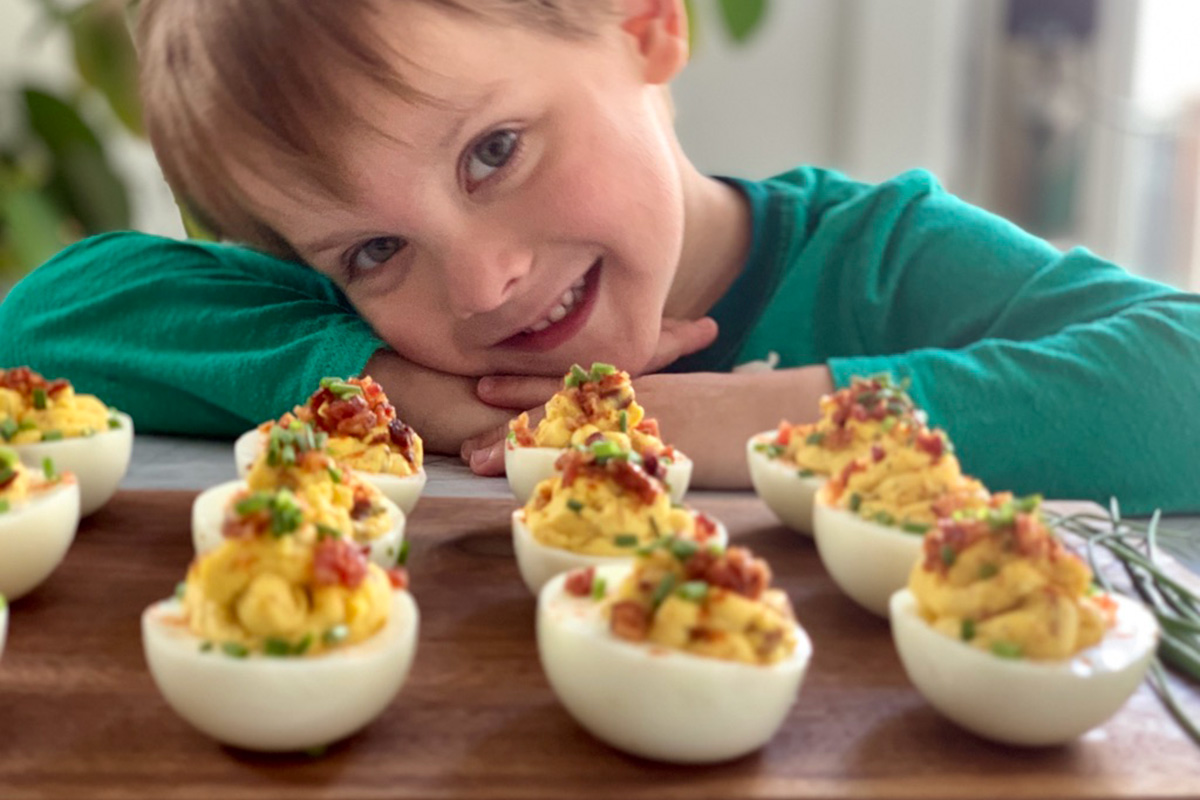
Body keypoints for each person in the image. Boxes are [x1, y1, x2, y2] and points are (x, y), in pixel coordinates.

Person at [0, 0, 1196, 513]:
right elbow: (49, 315)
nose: (476, 287)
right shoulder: (399, 336)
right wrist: (388, 380)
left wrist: (733, 418)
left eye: (494, 151)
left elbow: (1181, 375)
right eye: (372, 248)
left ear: (642, 25)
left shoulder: (881, 263)